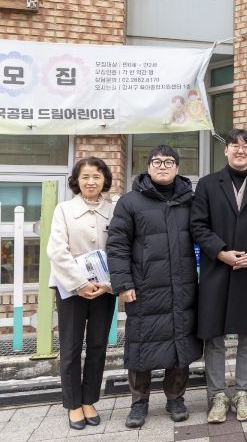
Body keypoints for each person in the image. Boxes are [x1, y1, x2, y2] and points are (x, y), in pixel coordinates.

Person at [107, 145, 202, 429]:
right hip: (145, 287)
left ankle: (175, 398)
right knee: (141, 345)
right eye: (157, 162)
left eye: (169, 162)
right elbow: (117, 244)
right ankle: (139, 402)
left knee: (180, 342)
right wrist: (123, 283)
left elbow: (205, 235)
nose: (163, 166)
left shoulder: (190, 201)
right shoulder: (130, 202)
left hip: (183, 286)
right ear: (148, 167)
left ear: (177, 168)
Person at [190, 128, 247, 424]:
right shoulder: (207, 184)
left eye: (246, 146)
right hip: (216, 270)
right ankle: (217, 395)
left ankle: (243, 393)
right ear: (225, 150)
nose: (241, 150)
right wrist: (221, 252)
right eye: (235, 145)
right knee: (213, 335)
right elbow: (198, 226)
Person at [48, 157, 116, 430]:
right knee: (71, 346)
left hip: (105, 289)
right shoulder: (64, 210)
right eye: (85, 176)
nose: (91, 182)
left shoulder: (114, 211)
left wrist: (108, 284)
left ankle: (89, 400)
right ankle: (73, 404)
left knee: (98, 345)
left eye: (96, 176)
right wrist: (80, 283)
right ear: (76, 180)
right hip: (71, 288)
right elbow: (57, 250)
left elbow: (121, 249)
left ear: (105, 180)